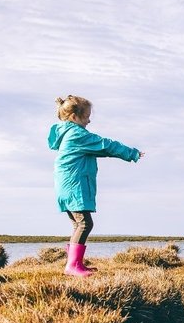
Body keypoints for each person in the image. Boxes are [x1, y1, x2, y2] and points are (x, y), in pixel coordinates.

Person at [48, 95, 144, 276]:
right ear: (74, 117)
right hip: (74, 186)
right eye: (86, 117)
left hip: (66, 187)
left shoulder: (67, 134)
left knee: (78, 225)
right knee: (85, 224)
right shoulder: (77, 135)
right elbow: (105, 145)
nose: (89, 120)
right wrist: (132, 153)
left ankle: (76, 264)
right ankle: (72, 266)